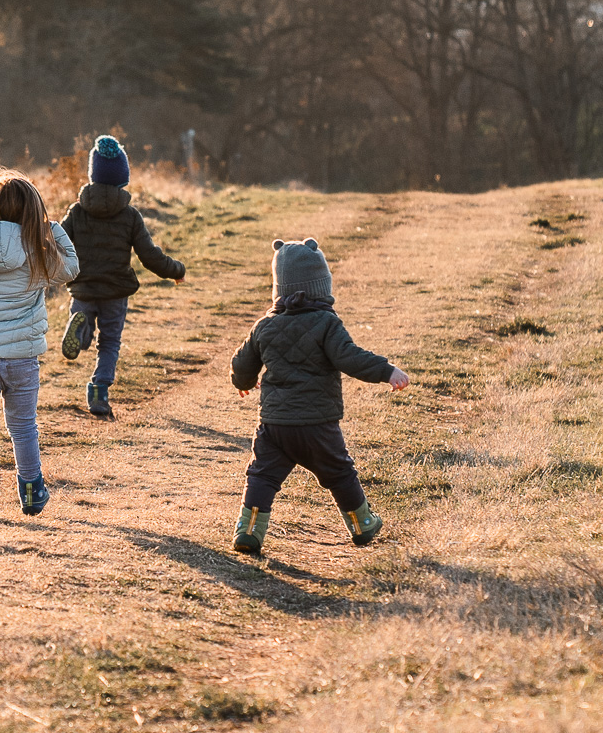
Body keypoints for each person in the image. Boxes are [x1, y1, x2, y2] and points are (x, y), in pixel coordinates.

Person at [229, 237, 409, 554]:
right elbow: (350, 357)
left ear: (279, 288)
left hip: (275, 426)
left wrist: (242, 381)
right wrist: (386, 370)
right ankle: (362, 524)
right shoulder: (326, 322)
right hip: (317, 425)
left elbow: (242, 362)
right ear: (321, 287)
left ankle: (248, 530)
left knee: (262, 476)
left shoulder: (264, 326)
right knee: (339, 473)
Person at [0, 169, 80, 516]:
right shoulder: (36, 251)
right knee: (23, 427)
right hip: (22, 358)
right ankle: (32, 490)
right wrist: (54, 231)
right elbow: (71, 270)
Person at [58, 135, 186, 419]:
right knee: (110, 342)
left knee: (86, 329)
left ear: (93, 174)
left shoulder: (76, 212)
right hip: (115, 291)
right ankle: (99, 391)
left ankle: (79, 333)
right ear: (122, 177)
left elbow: (58, 244)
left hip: (83, 287)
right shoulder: (130, 216)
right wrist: (176, 270)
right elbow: (150, 256)